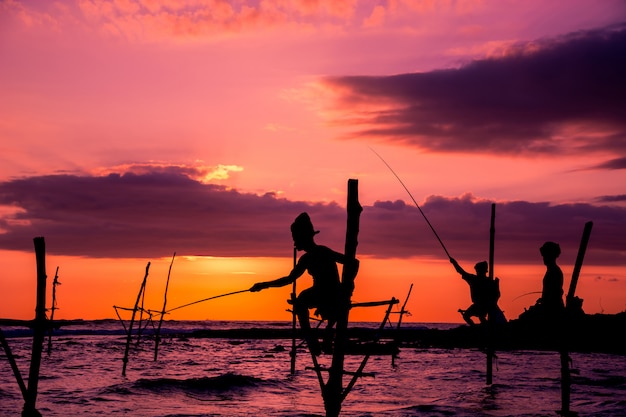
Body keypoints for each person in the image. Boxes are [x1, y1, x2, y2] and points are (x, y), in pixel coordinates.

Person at [250, 212, 358, 355]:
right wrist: (263, 285)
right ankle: (312, 340)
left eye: (296, 238)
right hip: (319, 291)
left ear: (304, 238)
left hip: (332, 292)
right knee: (301, 301)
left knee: (301, 301)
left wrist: (347, 286)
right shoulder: (306, 259)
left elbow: (354, 263)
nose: (295, 242)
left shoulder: (323, 251)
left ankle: (316, 339)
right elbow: (289, 279)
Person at [450, 258, 503, 325]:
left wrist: (454, 263)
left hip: (483, 305)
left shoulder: (475, 279)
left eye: (477, 270)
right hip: (483, 305)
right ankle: (479, 328)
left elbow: (461, 271)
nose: (477, 272)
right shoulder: (488, 281)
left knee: (469, 316)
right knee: (470, 316)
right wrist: (454, 263)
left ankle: (477, 329)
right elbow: (497, 295)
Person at [537, 241, 565, 318]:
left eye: (546, 256)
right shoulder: (551, 270)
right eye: (543, 256)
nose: (544, 258)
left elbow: (554, 294)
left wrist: (544, 302)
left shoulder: (554, 271)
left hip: (553, 311)